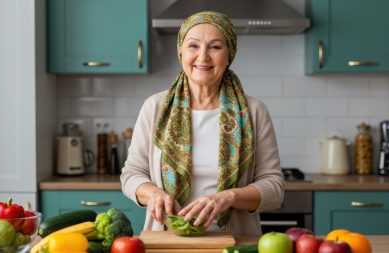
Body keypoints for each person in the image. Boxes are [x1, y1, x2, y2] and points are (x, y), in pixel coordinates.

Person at [120, 11, 285, 235]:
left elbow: (274, 187)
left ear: (229, 54)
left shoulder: (254, 112)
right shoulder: (155, 108)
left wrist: (229, 196)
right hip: (167, 242)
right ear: (181, 51)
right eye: (193, 46)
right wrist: (154, 194)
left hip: (234, 242)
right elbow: (131, 174)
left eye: (215, 47)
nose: (203, 56)